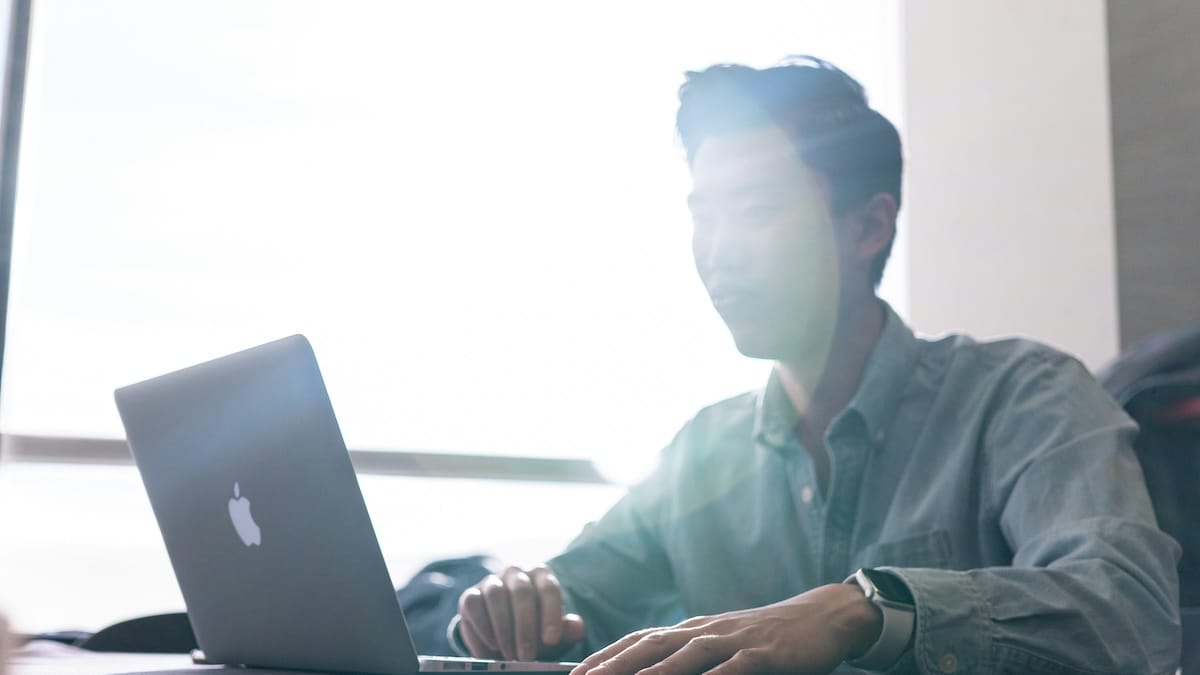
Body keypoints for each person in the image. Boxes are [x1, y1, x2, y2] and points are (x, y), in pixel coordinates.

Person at [448, 57, 1181, 674]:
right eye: (704, 214)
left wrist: (864, 607)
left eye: (757, 210)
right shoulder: (703, 452)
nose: (718, 249)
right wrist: (514, 600)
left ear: (867, 225)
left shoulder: (1025, 396)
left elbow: (1129, 613)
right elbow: (567, 595)